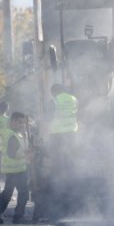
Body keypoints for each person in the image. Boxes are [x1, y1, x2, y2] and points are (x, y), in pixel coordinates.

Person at [0, 112, 31, 224]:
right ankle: (18, 216)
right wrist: (26, 156)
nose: (22, 125)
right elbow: (12, 153)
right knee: (24, 193)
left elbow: (19, 150)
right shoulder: (12, 135)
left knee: (7, 193)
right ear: (12, 122)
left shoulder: (16, 134)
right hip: (16, 170)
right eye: (19, 122)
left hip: (13, 169)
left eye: (23, 122)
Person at [48, 84, 78, 216]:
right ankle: (71, 172)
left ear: (54, 92)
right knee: (70, 159)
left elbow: (49, 117)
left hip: (58, 134)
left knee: (58, 163)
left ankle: (59, 177)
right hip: (72, 133)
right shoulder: (73, 98)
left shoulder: (54, 100)